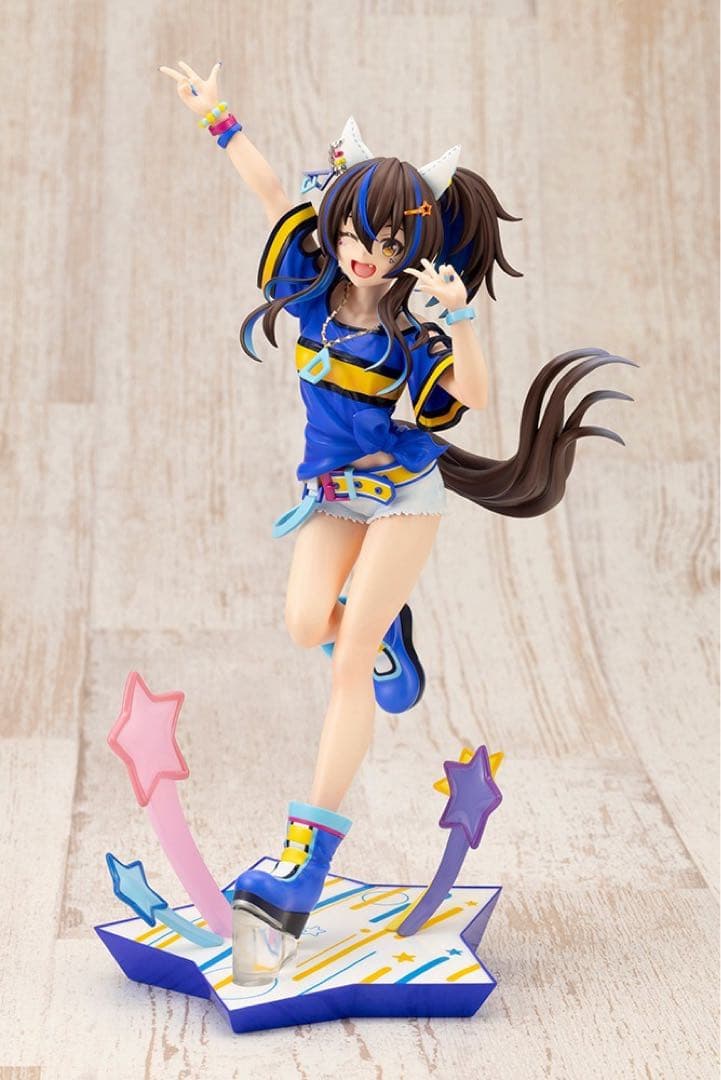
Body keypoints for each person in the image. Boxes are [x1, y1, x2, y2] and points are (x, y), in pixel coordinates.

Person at [160, 60, 635, 982]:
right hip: (332, 492)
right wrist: (216, 115)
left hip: (405, 496)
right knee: (306, 624)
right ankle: (384, 640)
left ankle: (306, 861)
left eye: (383, 241)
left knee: (342, 666)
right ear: (333, 226)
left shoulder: (413, 330)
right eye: (352, 234)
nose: (362, 254)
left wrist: (460, 321)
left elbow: (475, 397)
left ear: (412, 244)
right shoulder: (309, 285)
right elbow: (268, 188)